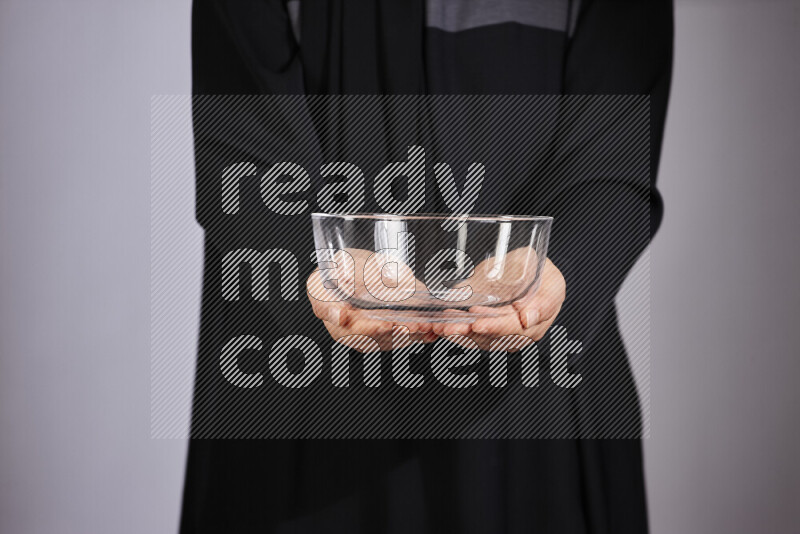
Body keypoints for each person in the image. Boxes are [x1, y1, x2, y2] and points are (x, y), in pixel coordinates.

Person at [181, 1, 673, 532]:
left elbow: (617, 149)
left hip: (534, 411)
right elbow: (238, 132)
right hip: (297, 399)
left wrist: (560, 265)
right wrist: (319, 263)